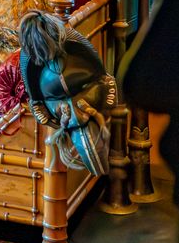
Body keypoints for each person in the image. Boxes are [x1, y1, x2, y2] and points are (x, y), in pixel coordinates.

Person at [17, 9, 117, 177]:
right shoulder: (27, 57)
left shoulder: (71, 38)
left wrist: (104, 96)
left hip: (87, 90)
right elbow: (35, 99)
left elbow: (101, 72)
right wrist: (50, 117)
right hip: (55, 102)